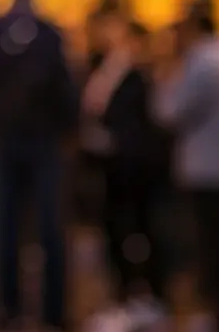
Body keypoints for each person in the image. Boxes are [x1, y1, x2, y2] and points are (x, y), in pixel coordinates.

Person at [0, 0, 79, 331]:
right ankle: (53, 309)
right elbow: (67, 89)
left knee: (5, 225)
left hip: (5, 140)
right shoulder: (49, 33)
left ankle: (8, 306)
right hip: (43, 141)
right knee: (50, 227)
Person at [155, 0, 219, 331]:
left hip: (210, 172)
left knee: (215, 249)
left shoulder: (203, 63)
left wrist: (167, 72)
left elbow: (168, 111)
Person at [84, 17, 171, 329]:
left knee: (137, 230)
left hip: (134, 169)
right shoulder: (113, 70)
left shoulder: (142, 75)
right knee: (121, 230)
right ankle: (130, 294)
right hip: (117, 167)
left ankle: (143, 296)